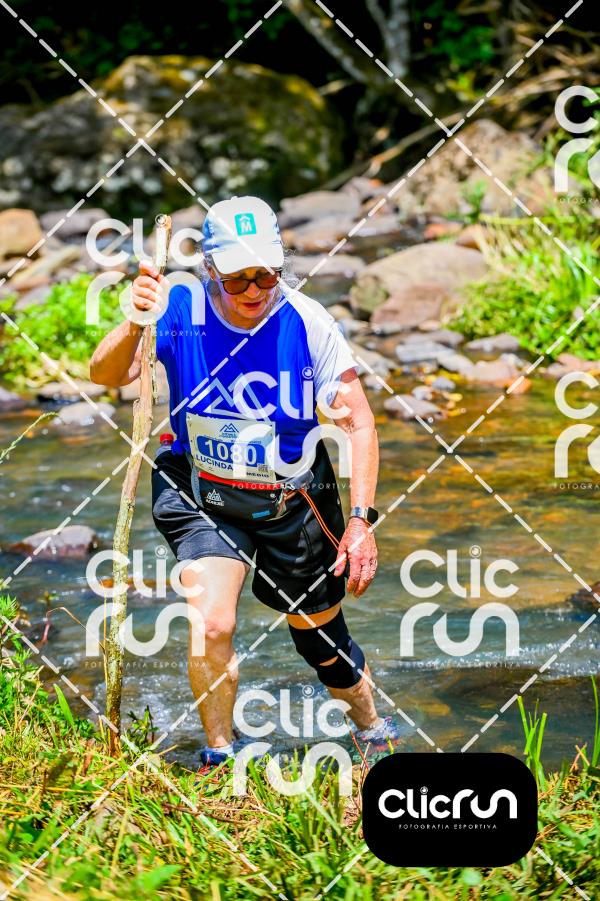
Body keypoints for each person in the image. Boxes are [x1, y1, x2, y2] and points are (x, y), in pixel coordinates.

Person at [90, 195, 401, 769]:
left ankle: (372, 727)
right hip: (203, 493)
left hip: (293, 500)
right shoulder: (178, 306)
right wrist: (135, 321)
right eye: (238, 279)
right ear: (210, 268)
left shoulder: (308, 322)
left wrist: (360, 523)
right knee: (213, 622)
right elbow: (106, 373)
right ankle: (220, 754)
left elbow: (358, 422)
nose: (255, 290)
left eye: (267, 274)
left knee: (320, 641)